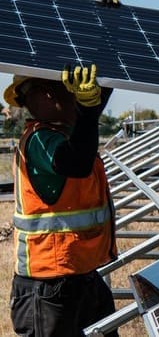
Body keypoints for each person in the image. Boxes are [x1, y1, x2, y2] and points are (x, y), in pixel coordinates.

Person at [5, 64, 119, 337]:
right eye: (71, 91)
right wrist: (88, 110)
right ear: (46, 96)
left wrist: (109, 70)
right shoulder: (40, 140)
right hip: (49, 286)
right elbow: (76, 162)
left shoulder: (68, 133)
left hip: (81, 276)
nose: (77, 97)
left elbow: (88, 120)